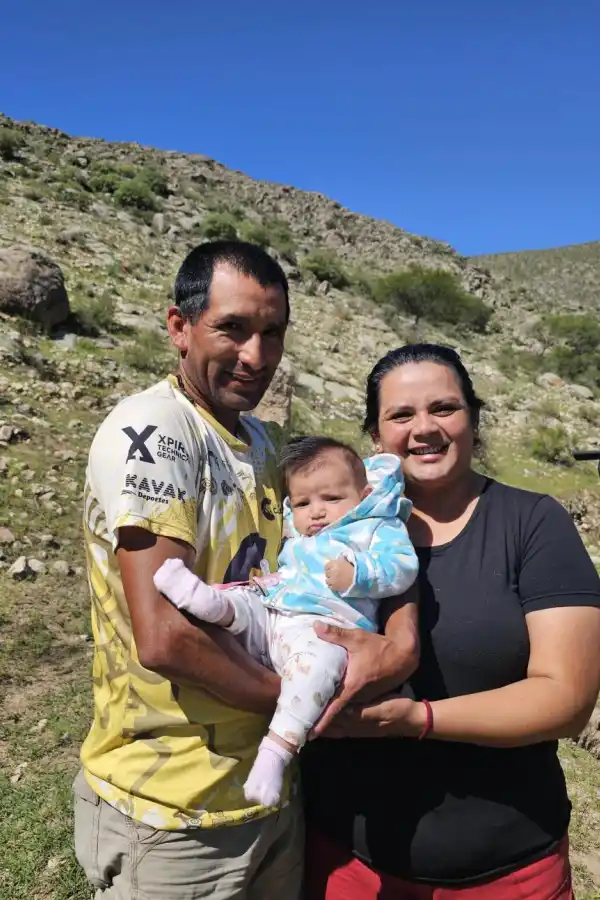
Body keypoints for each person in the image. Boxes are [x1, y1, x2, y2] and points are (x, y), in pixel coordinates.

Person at [73, 239, 419, 900]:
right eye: (232, 329)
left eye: (272, 333)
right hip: (172, 811)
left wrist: (399, 640)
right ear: (179, 326)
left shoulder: (263, 444)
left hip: (266, 796)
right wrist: (308, 707)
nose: (256, 356)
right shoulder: (152, 432)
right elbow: (164, 637)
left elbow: (364, 530)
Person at [302, 343, 600, 899]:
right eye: (400, 415)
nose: (424, 429)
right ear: (375, 436)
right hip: (344, 862)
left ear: (474, 417)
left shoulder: (533, 523)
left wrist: (419, 718)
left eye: (443, 408)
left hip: (506, 872)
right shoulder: (328, 523)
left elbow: (568, 697)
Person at [153, 437, 419, 809]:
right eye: (303, 503)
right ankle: (206, 601)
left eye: (332, 499)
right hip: (275, 609)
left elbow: (403, 568)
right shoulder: (300, 530)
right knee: (244, 602)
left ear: (365, 494)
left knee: (319, 667)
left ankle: (276, 751)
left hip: (324, 628)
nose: (317, 513)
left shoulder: (376, 527)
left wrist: (359, 572)